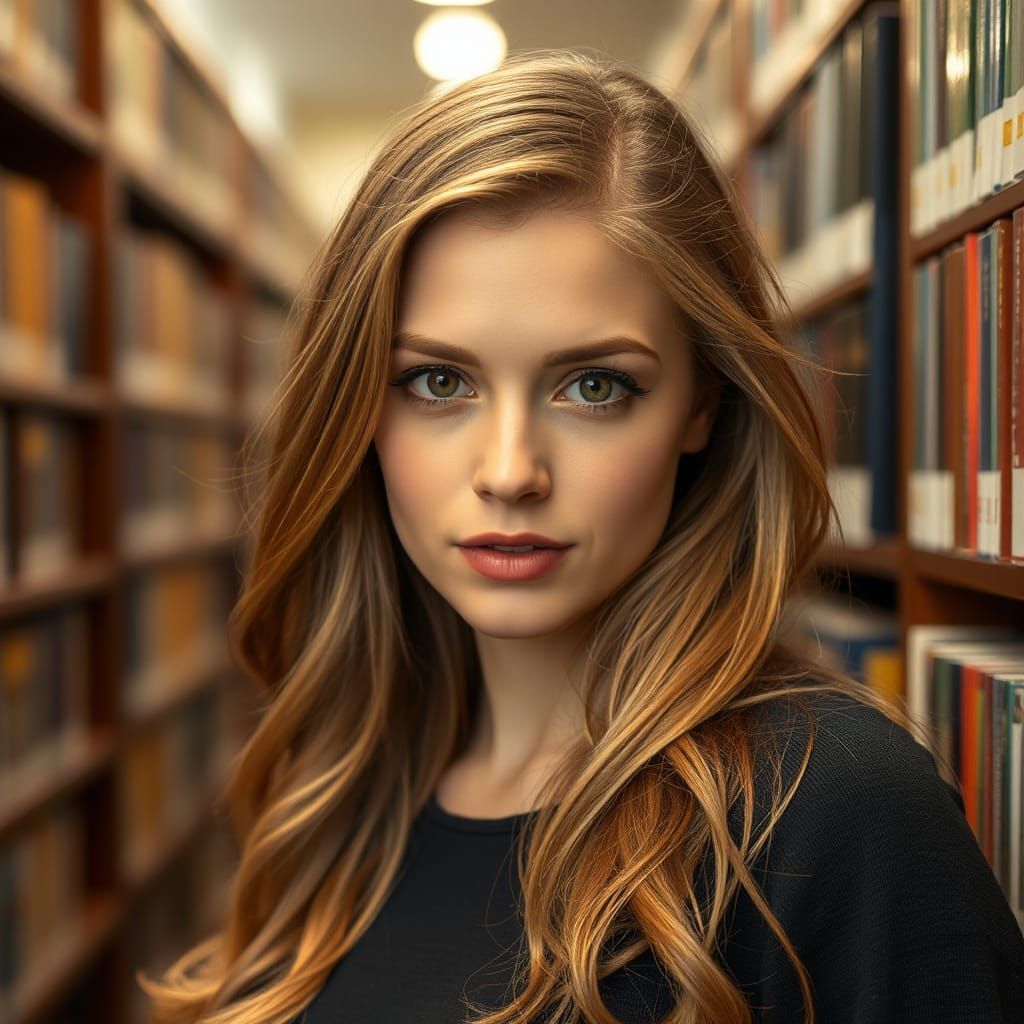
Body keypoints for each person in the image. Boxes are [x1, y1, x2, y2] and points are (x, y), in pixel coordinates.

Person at [140, 49, 1024, 1024]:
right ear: (359, 408)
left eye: (594, 385)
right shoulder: (346, 786)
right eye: (438, 382)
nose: (511, 469)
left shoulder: (836, 811)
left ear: (701, 404)